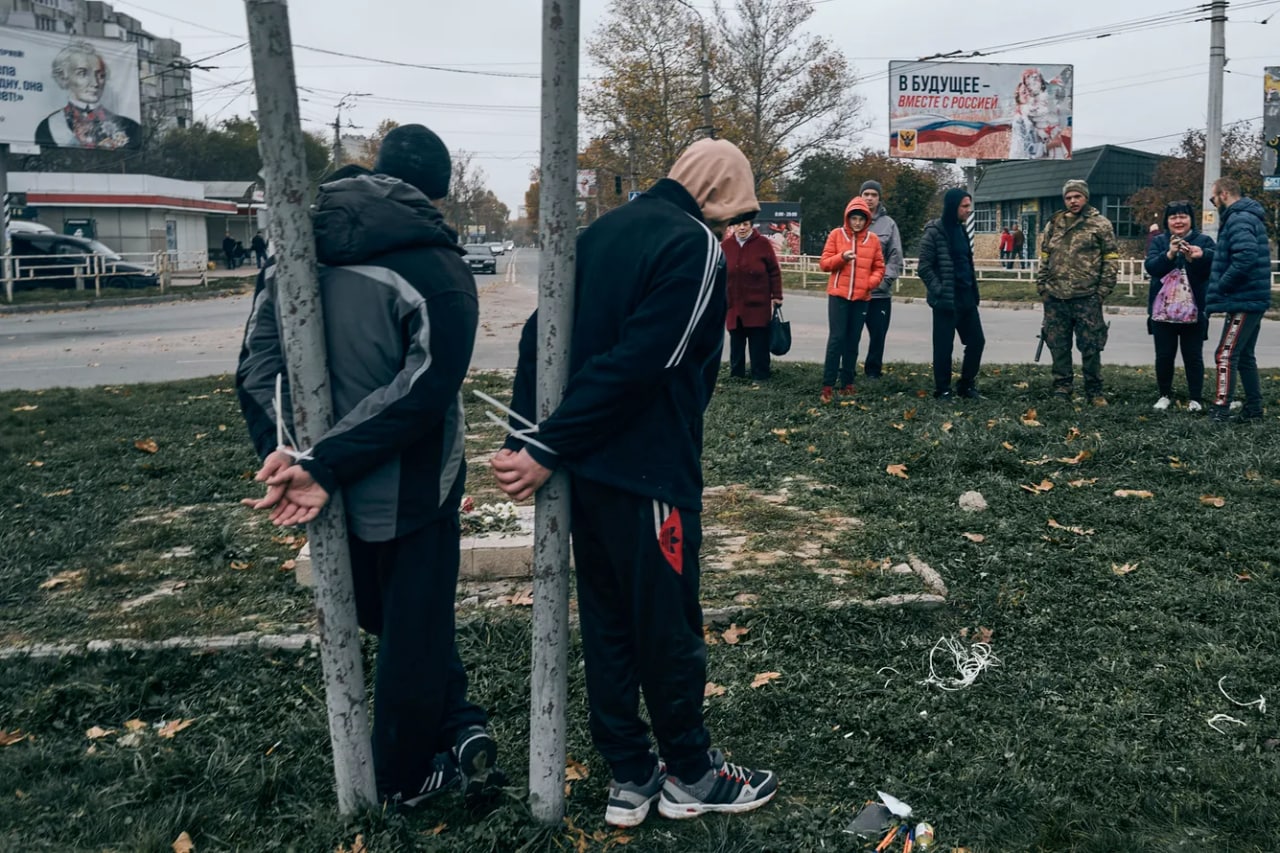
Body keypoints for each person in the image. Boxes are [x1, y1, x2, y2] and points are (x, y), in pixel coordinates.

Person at [489, 138, 777, 828]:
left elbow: (538, 337)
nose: (728, 229)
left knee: (610, 622)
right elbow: (648, 362)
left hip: (584, 476)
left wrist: (528, 438)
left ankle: (629, 773)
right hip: (649, 473)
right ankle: (690, 772)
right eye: (730, 214)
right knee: (667, 625)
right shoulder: (695, 246)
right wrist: (545, 442)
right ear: (715, 197)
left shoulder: (599, 233)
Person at [236, 124, 506, 809]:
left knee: (387, 616)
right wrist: (322, 463)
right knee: (416, 629)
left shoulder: (298, 248)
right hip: (412, 484)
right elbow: (427, 388)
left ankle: (458, 719)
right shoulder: (439, 267)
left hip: (318, 483)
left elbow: (257, 363)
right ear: (437, 194)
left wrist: (285, 449)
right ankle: (405, 777)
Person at [1036, 179, 1118, 402]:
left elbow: (1111, 259)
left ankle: (1094, 390)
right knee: (1058, 344)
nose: (1072, 201)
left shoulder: (1100, 224)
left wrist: (1102, 291)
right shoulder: (1055, 223)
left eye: (1077, 196)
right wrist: (1042, 285)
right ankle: (1062, 387)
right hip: (1055, 295)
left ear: (1085, 197)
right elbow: (1045, 255)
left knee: (1091, 345)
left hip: (1087, 296)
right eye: (1068, 197)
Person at [1205, 177, 1273, 423]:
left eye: (1213, 198)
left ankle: (1220, 410)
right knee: (1243, 354)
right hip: (1251, 296)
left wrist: (1223, 286)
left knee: (1225, 354)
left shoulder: (1239, 218)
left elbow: (1245, 257)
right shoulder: (1247, 216)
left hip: (1244, 298)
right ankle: (1254, 409)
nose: (1213, 204)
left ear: (1224, 194)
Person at [1143, 201, 1214, 412]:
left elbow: (1213, 267)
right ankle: (1164, 394)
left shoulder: (1204, 241)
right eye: (1173, 217)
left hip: (1194, 311)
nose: (1178, 221)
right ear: (1167, 221)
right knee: (1164, 355)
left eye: (1183, 216)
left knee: (1193, 356)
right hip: (1162, 312)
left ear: (1191, 219)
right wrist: (1170, 254)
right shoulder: (1159, 241)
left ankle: (1195, 398)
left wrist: (1198, 257)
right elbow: (1152, 268)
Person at [918, 188, 986, 400]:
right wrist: (939, 290)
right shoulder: (934, 232)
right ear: (952, 207)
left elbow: (966, 263)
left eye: (969, 206)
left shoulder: (962, 230)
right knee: (943, 347)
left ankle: (966, 386)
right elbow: (924, 267)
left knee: (976, 341)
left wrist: (973, 292)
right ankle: (943, 389)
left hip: (966, 298)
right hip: (946, 301)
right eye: (964, 206)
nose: (968, 210)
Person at [818, 197, 885, 403]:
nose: (857, 223)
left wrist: (868, 284)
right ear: (848, 218)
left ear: (867, 220)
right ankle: (828, 384)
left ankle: (848, 382)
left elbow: (879, 267)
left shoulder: (872, 240)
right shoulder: (836, 235)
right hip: (838, 296)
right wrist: (842, 258)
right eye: (854, 218)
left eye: (861, 219)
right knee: (837, 338)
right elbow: (824, 263)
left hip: (861, 298)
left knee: (853, 340)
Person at [35, 41, 140, 150]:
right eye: (83, 73)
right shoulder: (47, 127)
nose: (95, 83)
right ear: (63, 77)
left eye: (100, 75)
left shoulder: (129, 127)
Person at [723, 219, 782, 381]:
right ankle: (737, 375)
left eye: (746, 224)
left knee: (758, 343)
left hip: (758, 304)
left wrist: (777, 295)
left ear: (751, 225)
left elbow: (774, 271)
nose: (742, 228)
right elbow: (719, 274)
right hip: (733, 304)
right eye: (738, 224)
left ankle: (761, 375)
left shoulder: (763, 244)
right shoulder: (725, 246)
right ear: (733, 226)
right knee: (736, 342)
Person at [859, 180, 903, 379]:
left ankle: (873, 372)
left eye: (873, 195)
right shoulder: (852, 220)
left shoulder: (889, 224)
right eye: (866, 194)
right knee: (849, 335)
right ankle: (847, 370)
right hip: (855, 292)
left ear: (879, 198)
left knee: (878, 335)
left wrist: (885, 281)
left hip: (879, 293)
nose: (869, 198)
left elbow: (895, 255)